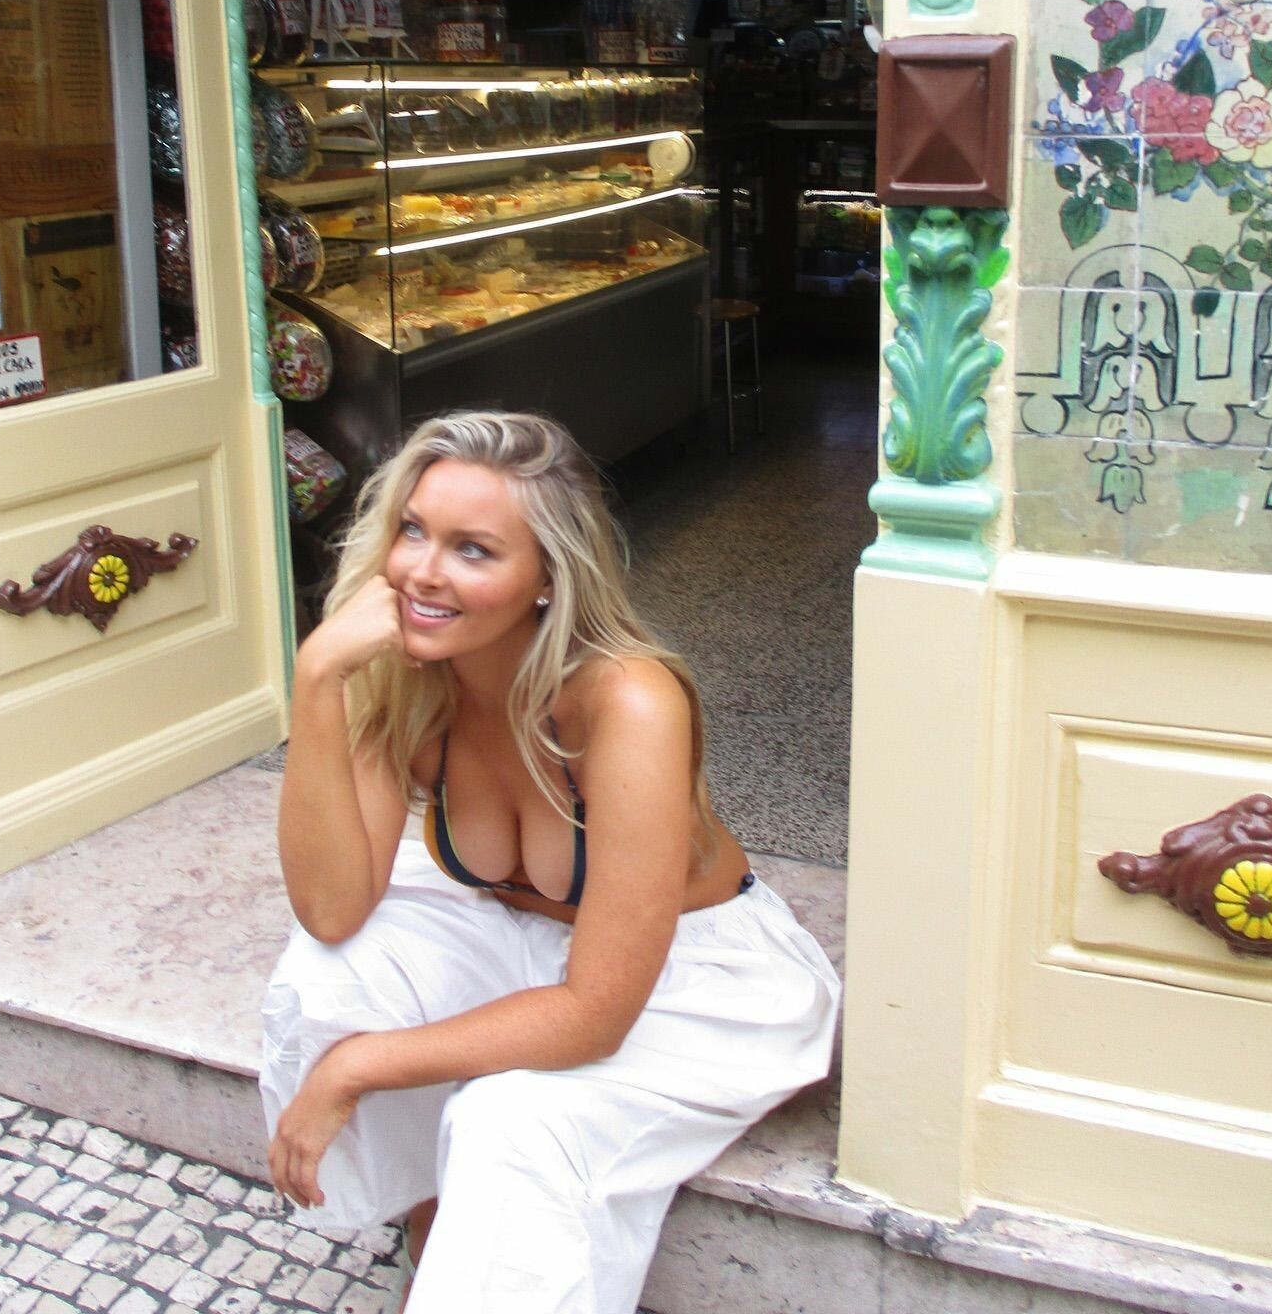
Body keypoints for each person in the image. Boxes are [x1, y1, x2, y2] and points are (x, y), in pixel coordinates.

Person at [259, 411, 840, 1313]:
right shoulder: (402, 673)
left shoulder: (629, 700)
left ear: (547, 577)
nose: (421, 572)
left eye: (473, 550)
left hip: (694, 979)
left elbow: (596, 1013)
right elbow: (332, 909)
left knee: (512, 1120)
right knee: (331, 976)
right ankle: (434, 1224)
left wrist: (355, 1068)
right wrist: (317, 677)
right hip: (524, 943)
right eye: (413, 531)